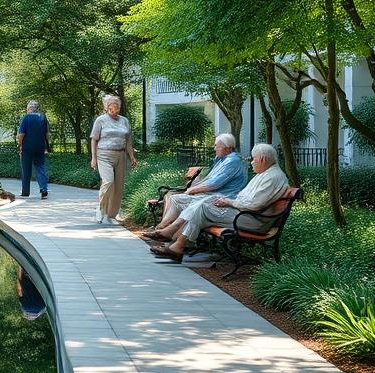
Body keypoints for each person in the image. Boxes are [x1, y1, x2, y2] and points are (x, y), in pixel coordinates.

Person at [150, 143, 289, 264]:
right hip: (245, 214)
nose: (251, 162)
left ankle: (174, 239)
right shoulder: (266, 174)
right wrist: (227, 202)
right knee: (204, 203)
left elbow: (254, 205)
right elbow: (246, 199)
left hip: (254, 221)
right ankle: (177, 245)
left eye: (253, 159)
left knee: (203, 209)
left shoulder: (272, 177)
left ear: (263, 159)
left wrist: (229, 202)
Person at [143, 133, 246, 240]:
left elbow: (214, 184)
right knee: (175, 199)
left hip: (220, 198)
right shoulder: (222, 159)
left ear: (228, 147)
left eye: (217, 146)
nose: (214, 148)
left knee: (184, 202)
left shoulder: (232, 161)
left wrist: (193, 190)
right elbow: (209, 180)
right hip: (211, 195)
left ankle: (166, 233)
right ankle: (162, 229)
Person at [89, 94, 137, 224]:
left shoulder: (124, 121)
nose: (114, 110)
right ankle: (100, 208)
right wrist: (93, 158)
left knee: (118, 187)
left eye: (116, 107)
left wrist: (132, 157)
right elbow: (94, 139)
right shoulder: (101, 120)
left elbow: (128, 141)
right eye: (111, 107)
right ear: (107, 107)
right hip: (103, 154)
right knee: (108, 181)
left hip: (121, 155)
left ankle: (111, 214)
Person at [16, 100, 50, 199]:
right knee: (40, 167)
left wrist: (19, 144)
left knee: (26, 169)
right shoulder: (43, 117)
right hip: (40, 147)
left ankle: (25, 192)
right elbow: (47, 134)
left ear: (29, 108)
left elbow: (21, 134)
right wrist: (45, 146)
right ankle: (44, 190)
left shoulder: (26, 117)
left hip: (27, 147)